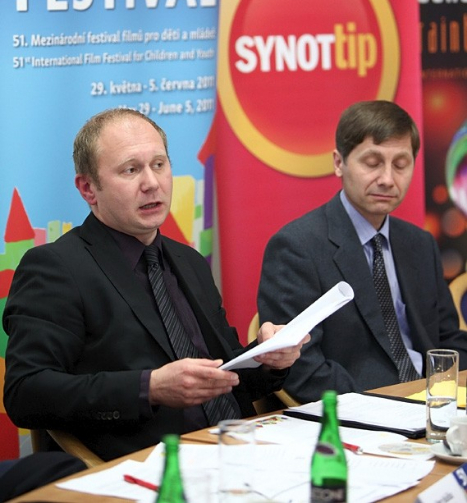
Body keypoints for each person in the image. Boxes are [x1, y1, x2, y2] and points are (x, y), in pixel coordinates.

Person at [3, 108, 308, 461]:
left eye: (159, 165)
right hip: (148, 465)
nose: (151, 183)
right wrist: (149, 388)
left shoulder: (188, 261)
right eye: (130, 170)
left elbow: (226, 379)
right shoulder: (56, 268)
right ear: (88, 188)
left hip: (240, 449)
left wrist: (267, 358)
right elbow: (26, 393)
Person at [257, 100, 467, 403]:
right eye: (372, 163)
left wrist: (441, 393)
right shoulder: (296, 247)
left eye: (400, 164)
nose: (387, 179)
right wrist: (391, 404)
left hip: (432, 401)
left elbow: (447, 339)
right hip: (360, 408)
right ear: (339, 163)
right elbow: (302, 369)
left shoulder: (419, 243)